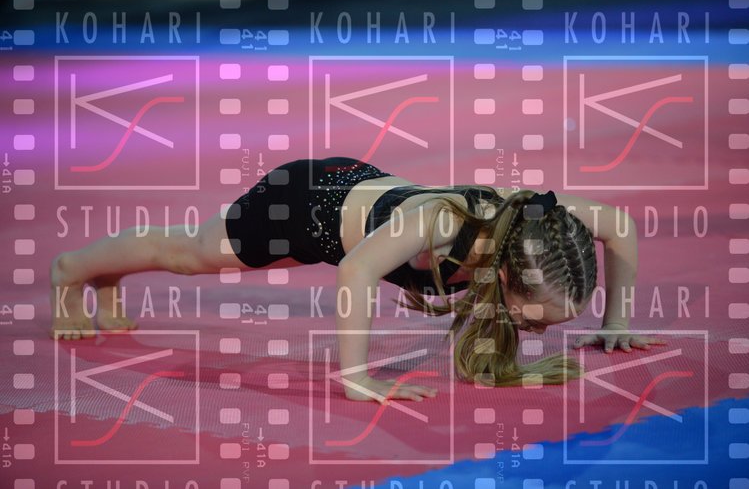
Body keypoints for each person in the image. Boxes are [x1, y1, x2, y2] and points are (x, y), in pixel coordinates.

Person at [49, 156, 664, 403]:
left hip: (356, 198)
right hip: (301, 207)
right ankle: (71, 269)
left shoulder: (542, 223)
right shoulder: (441, 223)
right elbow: (357, 269)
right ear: (506, 273)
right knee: (187, 255)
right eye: (540, 317)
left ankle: (108, 278)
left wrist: (617, 319)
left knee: (189, 254)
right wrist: (357, 377)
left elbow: (621, 226)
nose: (543, 331)